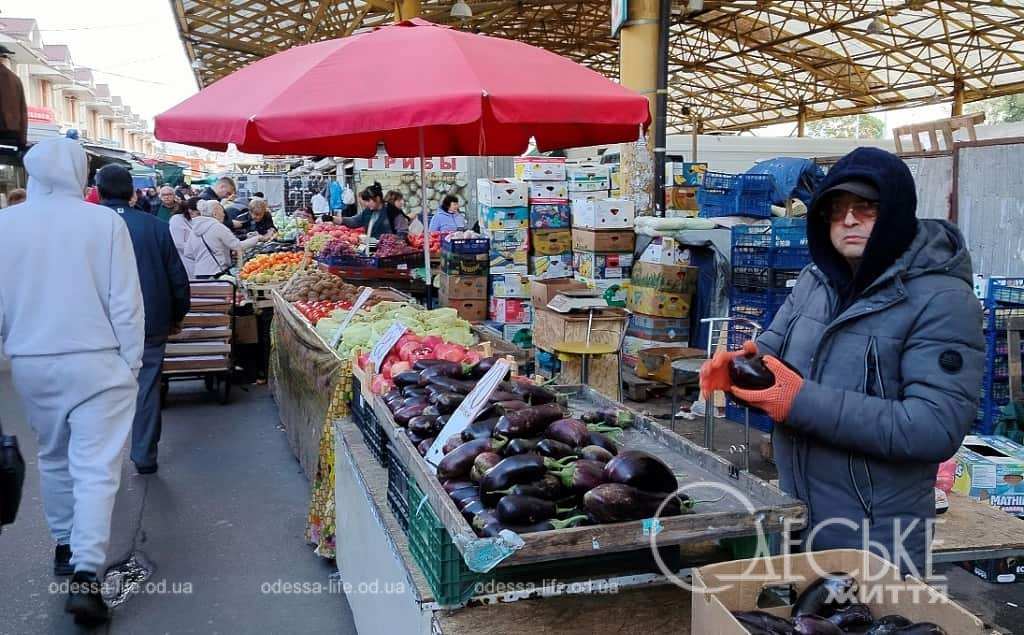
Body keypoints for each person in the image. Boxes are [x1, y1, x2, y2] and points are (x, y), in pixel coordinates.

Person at [700, 147, 984, 576]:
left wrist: (798, 401)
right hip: (797, 511)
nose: (848, 220)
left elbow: (933, 427)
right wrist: (739, 370)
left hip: (877, 535)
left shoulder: (942, 300)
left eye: (865, 208)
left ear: (897, 213)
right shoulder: (817, 281)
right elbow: (773, 350)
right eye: (837, 209)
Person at [0, 138, 144, 625]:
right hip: (98, 363)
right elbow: (125, 302)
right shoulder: (103, 222)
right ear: (80, 171)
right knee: (97, 467)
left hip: (32, 362)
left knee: (53, 454)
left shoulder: (4, 225)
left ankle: (64, 544)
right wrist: (132, 363)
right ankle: (86, 570)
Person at [96, 166, 190, 475]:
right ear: (133, 192)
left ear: (98, 191)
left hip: (97, 325)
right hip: (149, 322)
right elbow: (177, 277)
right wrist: (177, 315)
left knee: (99, 392)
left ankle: (104, 458)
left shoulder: (86, 227)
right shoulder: (154, 227)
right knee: (146, 387)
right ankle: (144, 454)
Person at [184, 199, 259, 278]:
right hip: (217, 273)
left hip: (200, 274)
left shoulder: (194, 229)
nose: (224, 215)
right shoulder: (218, 227)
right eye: (222, 211)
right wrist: (257, 238)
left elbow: (188, 253)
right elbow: (237, 246)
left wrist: (203, 258)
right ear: (215, 213)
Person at [170, 197, 199, 276]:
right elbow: (178, 243)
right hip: (185, 261)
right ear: (191, 210)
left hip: (197, 260)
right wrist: (198, 250)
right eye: (199, 213)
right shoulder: (176, 219)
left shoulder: (195, 220)